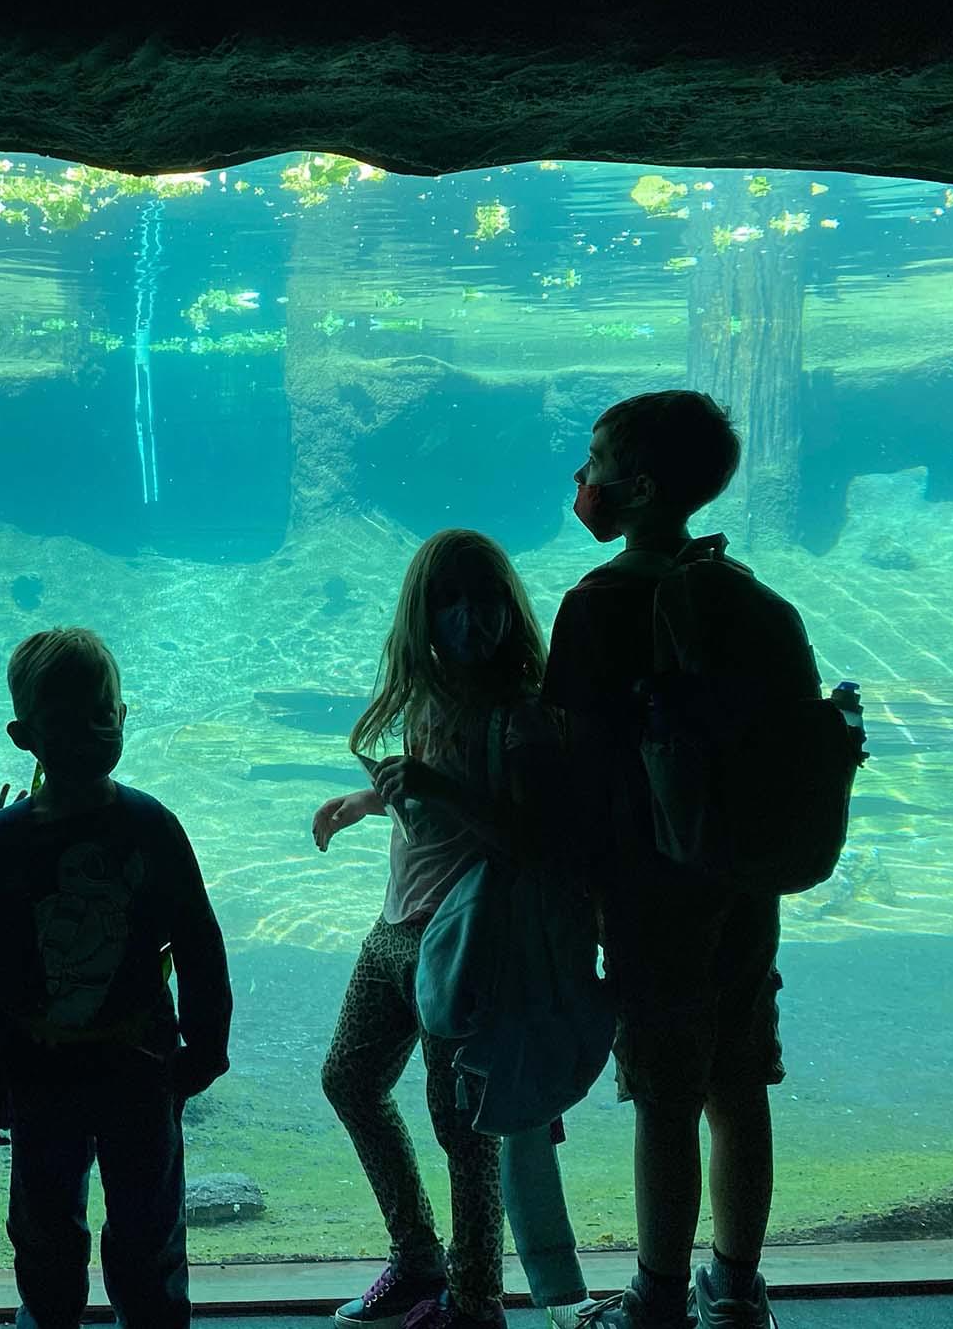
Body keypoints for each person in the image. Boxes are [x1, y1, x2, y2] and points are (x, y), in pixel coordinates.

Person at [312, 530, 598, 1329]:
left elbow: (535, 844)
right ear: (422, 615)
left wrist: (440, 788)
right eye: (451, 602)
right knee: (349, 1080)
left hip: (466, 948)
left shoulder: (523, 716)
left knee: (463, 1126)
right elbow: (429, 794)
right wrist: (370, 801)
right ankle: (415, 1259)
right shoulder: (428, 696)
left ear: (508, 606)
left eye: (485, 600)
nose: (471, 618)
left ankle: (476, 1300)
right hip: (394, 930)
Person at [544, 391, 777, 1329]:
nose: (581, 478)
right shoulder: (738, 591)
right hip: (744, 877)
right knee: (737, 1082)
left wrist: (573, 891)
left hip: (649, 889)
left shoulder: (597, 605)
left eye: (595, 460)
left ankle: (654, 1299)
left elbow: (573, 765)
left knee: (665, 1097)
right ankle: (737, 1289)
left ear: (637, 489)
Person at [0, 628, 232, 1329]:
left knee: (112, 1228)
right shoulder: (140, 825)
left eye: (102, 712)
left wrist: (207, 1041)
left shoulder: (22, 837)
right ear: (25, 735)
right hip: (86, 1075)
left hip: (119, 1073)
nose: (95, 729)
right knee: (79, 1229)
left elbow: (198, 937)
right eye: (75, 717)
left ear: (125, 714)